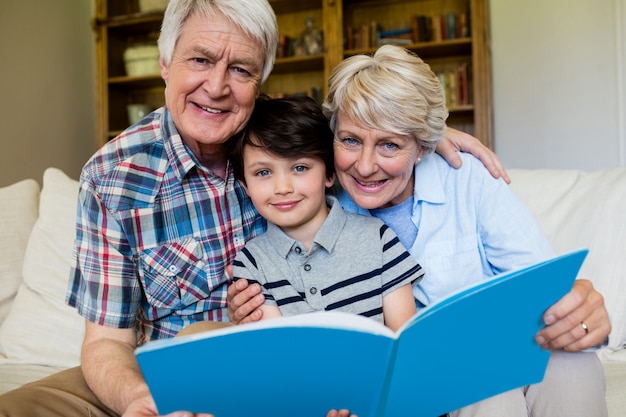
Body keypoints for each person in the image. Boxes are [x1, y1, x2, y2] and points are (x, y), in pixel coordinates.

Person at [0, 0, 511, 415]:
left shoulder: (276, 139)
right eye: (200, 60)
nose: (218, 87)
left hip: (270, 362)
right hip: (160, 367)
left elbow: (368, 135)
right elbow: (107, 342)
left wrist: (431, 135)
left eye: (240, 69)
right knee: (20, 407)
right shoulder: (113, 176)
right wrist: (140, 401)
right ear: (165, 62)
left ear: (259, 82)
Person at [227, 45, 612, 417]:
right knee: (488, 391)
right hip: (437, 377)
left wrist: (578, 312)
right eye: (350, 140)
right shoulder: (313, 197)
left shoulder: (468, 180)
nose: (363, 166)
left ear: (425, 147)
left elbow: (546, 293)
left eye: (389, 145)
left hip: (494, 347)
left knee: (570, 363)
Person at [227, 94, 421, 330]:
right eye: (263, 173)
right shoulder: (251, 262)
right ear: (245, 185)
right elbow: (278, 351)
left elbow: (405, 336)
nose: (283, 188)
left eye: (300, 168)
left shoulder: (378, 239)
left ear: (330, 174)